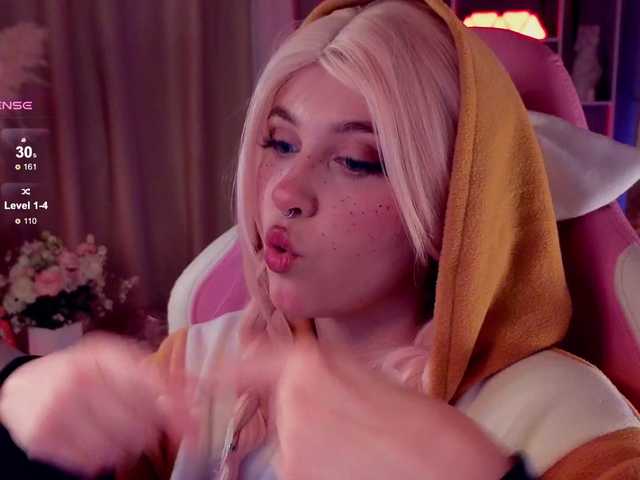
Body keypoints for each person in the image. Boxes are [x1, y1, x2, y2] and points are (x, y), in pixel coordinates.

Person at [1, 0, 639, 479]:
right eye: (280, 143)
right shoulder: (197, 363)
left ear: (454, 209)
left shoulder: (567, 422)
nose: (285, 189)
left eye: (356, 161)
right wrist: (21, 412)